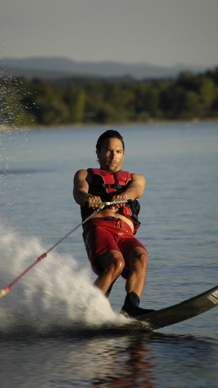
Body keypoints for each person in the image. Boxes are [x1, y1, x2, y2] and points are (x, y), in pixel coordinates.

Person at [73, 129, 153, 318]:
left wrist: (124, 196)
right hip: (98, 228)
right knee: (116, 263)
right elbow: (79, 193)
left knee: (141, 256)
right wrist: (88, 198)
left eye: (118, 151)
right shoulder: (85, 174)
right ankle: (88, 312)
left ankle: (131, 308)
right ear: (98, 152)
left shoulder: (136, 178)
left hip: (125, 232)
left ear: (123, 154)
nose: (113, 156)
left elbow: (136, 191)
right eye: (108, 151)